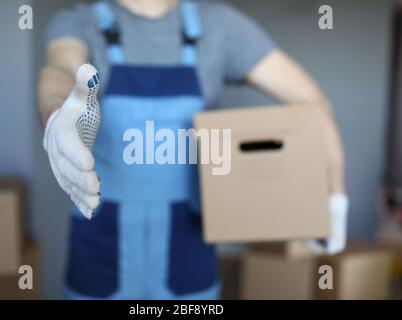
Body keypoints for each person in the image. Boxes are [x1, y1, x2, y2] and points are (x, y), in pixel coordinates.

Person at [38, 0, 348, 299]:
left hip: (188, 250)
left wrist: (334, 199)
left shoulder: (221, 27)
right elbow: (61, 69)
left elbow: (313, 106)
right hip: (100, 249)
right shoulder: (80, 23)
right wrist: (57, 114)